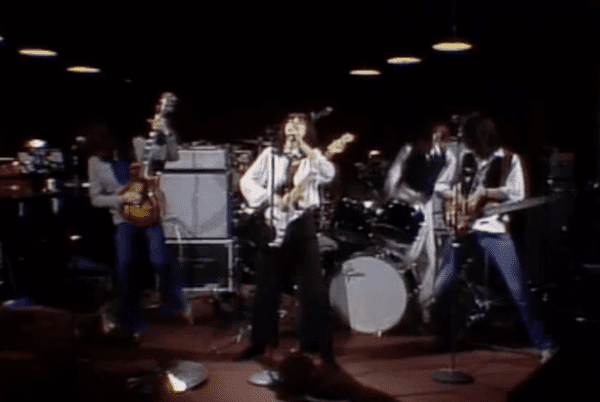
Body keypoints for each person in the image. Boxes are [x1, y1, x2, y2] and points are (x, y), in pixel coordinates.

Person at [430, 113, 558, 363]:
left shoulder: (509, 159)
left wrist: (487, 193)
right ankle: (446, 336)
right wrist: (456, 199)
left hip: (494, 229)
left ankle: (545, 345)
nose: (466, 144)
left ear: (482, 137)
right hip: (463, 228)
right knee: (442, 285)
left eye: (469, 139)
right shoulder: (463, 157)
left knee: (518, 288)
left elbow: (518, 194)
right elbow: (440, 186)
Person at [87, 93, 192, 341]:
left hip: (148, 212)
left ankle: (175, 304)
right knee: (126, 267)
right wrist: (121, 199)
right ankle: (128, 318)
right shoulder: (95, 162)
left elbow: (172, 155)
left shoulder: (136, 146)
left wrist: (166, 130)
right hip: (123, 218)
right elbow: (95, 198)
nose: (106, 152)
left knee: (160, 259)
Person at [236, 112, 337, 366]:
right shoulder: (270, 155)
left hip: (301, 224)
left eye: (300, 123)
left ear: (307, 130)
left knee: (313, 290)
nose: (294, 126)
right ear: (283, 129)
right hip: (273, 224)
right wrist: (271, 199)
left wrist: (306, 148)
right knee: (266, 288)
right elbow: (246, 182)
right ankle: (261, 343)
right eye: (290, 122)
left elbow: (328, 173)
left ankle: (317, 346)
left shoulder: (313, 157)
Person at [382, 118, 456, 322]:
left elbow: (443, 182)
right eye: (433, 135)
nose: (436, 140)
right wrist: (391, 198)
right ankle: (390, 299)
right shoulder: (410, 149)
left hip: (425, 203)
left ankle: (424, 304)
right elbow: (394, 173)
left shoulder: (448, 156)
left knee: (429, 257)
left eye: (440, 137)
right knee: (401, 251)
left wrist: (441, 193)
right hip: (405, 197)